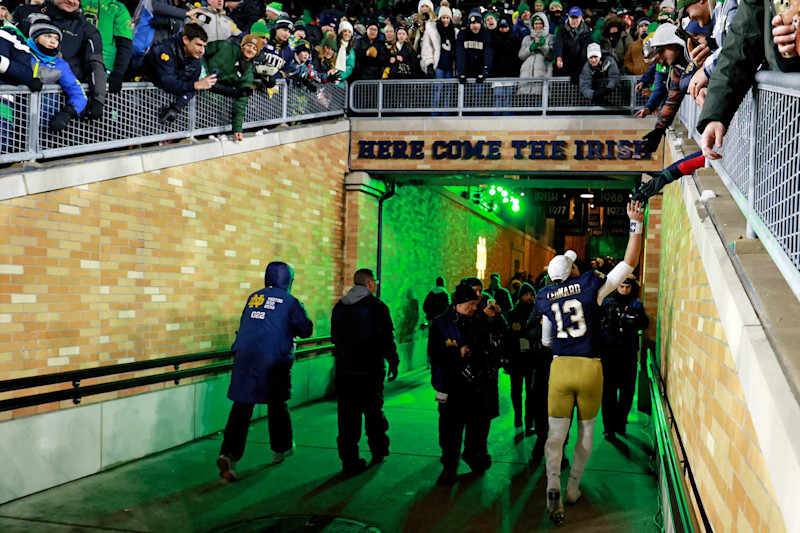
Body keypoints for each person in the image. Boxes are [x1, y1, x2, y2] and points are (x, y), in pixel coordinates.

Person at [536, 200, 645, 525]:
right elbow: (628, 263)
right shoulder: (590, 288)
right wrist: (635, 224)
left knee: (556, 434)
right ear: (571, 271)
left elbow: (545, 341)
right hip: (589, 366)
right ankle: (571, 488)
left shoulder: (544, 297)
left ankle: (552, 480)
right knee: (585, 432)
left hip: (560, 366)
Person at [217, 261, 313, 481]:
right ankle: (281, 448)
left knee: (242, 407)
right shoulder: (290, 302)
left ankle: (228, 454)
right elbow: (306, 329)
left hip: (245, 358)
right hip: (273, 360)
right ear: (288, 280)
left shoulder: (254, 298)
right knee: (277, 404)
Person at [428, 281, 501, 485]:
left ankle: (471, 454)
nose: (476, 308)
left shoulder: (477, 320)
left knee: (476, 425)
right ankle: (449, 466)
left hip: (474, 386)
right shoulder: (441, 323)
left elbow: (488, 347)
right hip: (449, 385)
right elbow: (434, 354)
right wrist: (456, 352)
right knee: (450, 429)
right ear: (461, 303)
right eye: (472, 304)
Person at [331, 268, 399, 474]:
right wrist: (393, 361)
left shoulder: (340, 307)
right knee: (373, 412)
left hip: (345, 370)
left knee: (347, 417)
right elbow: (387, 338)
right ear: (369, 283)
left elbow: (335, 336)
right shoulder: (377, 306)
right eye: (375, 282)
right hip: (370, 369)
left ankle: (349, 460)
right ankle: (379, 450)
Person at [14, 0, 105, 119]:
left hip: (61, 104)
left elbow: (95, 63)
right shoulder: (25, 13)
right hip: (17, 99)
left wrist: (98, 100)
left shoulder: (85, 28)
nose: (72, 1)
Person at [599, 276, 649, 440]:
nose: (624, 290)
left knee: (627, 392)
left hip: (628, 353)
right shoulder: (608, 303)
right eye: (621, 286)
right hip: (610, 353)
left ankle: (620, 422)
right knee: (609, 392)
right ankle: (609, 427)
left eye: (627, 287)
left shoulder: (636, 304)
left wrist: (631, 322)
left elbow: (643, 323)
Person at [144, 23, 217, 124]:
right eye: (198, 45)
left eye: (204, 46)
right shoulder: (164, 50)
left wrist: (177, 107)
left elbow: (192, 88)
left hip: (162, 102)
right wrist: (195, 85)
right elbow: (168, 82)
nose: (202, 51)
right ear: (186, 40)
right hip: (141, 98)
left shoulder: (196, 60)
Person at [27, 15, 87, 131]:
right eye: (47, 36)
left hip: (44, 123)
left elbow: (77, 91)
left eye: (56, 38)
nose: (52, 41)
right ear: (35, 38)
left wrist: (68, 112)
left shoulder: (60, 65)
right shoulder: (22, 53)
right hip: (16, 118)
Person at [638, 23, 689, 154]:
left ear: (672, 43)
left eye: (660, 52)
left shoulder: (696, 50)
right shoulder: (677, 68)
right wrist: (659, 129)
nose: (659, 58)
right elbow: (672, 99)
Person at [202, 34, 259, 141]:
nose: (250, 50)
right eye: (249, 45)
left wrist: (237, 128)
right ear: (242, 45)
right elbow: (200, 53)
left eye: (255, 48)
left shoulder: (248, 73)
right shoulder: (224, 46)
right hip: (195, 84)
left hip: (211, 99)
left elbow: (241, 101)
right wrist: (203, 74)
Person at [503, 282, 537, 431]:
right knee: (516, 390)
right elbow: (506, 335)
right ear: (521, 296)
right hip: (516, 356)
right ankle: (518, 415)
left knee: (531, 391)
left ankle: (529, 419)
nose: (529, 298)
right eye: (526, 295)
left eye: (531, 295)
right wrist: (505, 355)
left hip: (532, 357)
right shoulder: (512, 314)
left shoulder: (537, 312)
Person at [80, 0, 132, 94]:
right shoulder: (78, 2)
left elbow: (125, 45)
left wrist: (118, 73)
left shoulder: (118, 9)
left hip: (105, 72)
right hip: (77, 68)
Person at [553, 6, 593, 83]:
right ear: (568, 17)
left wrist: (580, 70)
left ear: (581, 18)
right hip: (564, 66)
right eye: (572, 18)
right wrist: (558, 58)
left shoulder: (587, 33)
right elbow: (558, 43)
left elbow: (584, 52)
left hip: (579, 68)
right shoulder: (562, 30)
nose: (574, 21)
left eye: (576, 18)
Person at [518, 12, 552, 97]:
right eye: (536, 24)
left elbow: (551, 56)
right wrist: (530, 48)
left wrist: (543, 46)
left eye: (540, 23)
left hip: (542, 81)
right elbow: (521, 55)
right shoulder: (526, 38)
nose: (538, 26)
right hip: (525, 80)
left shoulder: (551, 38)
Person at [456, 9, 492, 85]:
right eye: (473, 23)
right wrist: (461, 72)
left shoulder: (485, 35)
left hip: (480, 74)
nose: (475, 26)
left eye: (477, 23)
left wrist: (484, 72)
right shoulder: (462, 35)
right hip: (466, 74)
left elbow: (488, 54)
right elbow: (460, 55)